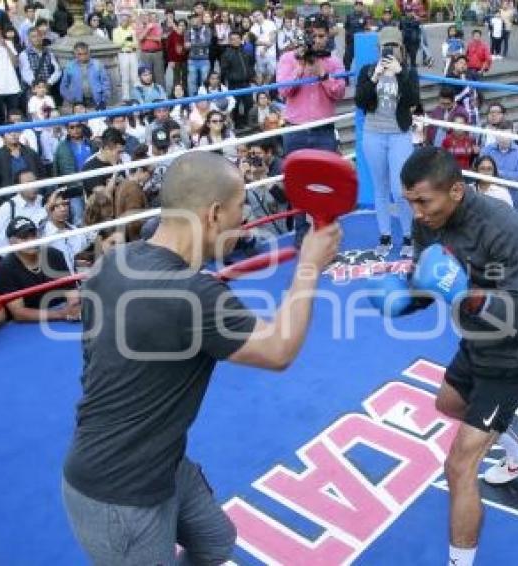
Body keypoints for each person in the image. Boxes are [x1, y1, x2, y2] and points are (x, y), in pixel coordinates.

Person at [61, 151, 342, 564]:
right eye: (240, 208)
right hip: (118, 492)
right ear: (213, 214)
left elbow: (93, 354)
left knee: (215, 542)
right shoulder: (194, 293)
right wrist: (310, 266)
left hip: (160, 461)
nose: (243, 221)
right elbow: (279, 350)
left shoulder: (115, 261)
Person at [370, 147, 518, 566]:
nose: (415, 212)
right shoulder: (428, 224)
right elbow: (426, 281)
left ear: (456, 190)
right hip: (475, 344)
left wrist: (466, 297)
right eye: (409, 201)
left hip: (513, 355)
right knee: (447, 403)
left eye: (423, 202)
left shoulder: (506, 228)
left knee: (459, 466)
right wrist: (404, 298)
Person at [276, 19, 346, 246]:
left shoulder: (334, 62)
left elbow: (340, 93)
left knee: (326, 183)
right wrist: (300, 68)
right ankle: (301, 234)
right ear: (305, 36)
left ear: (328, 36)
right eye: (312, 36)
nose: (316, 41)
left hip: (324, 130)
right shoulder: (288, 58)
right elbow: (283, 91)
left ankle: (325, 232)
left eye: (321, 36)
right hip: (296, 130)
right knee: (298, 184)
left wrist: (323, 74)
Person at [355, 27, 420, 259]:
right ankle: (385, 235)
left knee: (399, 188)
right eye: (385, 47)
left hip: (399, 135)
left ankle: (408, 236)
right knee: (380, 188)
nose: (390, 50)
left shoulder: (409, 72)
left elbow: (414, 101)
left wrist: (400, 73)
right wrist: (375, 78)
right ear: (378, 49)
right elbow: (360, 101)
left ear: (401, 48)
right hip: (373, 135)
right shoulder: (368, 70)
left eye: (394, 46)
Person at [0, 216, 80, 322]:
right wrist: (61, 314)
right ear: (12, 242)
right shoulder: (5, 268)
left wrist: (73, 306)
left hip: (62, 311)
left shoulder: (54, 254)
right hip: (29, 324)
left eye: (33, 235)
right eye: (24, 237)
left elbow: (70, 289)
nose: (31, 240)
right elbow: (19, 313)